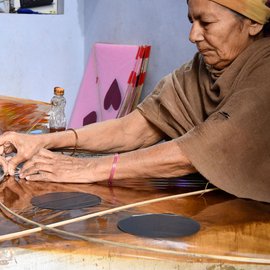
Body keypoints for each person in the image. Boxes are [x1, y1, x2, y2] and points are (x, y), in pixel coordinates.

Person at [0, 0, 269, 203]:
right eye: (191, 21)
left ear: (253, 24)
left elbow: (196, 151)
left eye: (206, 23)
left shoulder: (264, 71)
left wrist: (88, 168)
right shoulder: (200, 69)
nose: (193, 35)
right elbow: (134, 128)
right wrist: (44, 141)